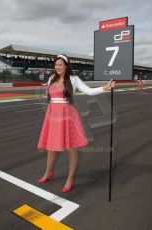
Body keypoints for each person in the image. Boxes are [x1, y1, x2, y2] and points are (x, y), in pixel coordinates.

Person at [37, 54, 115, 193]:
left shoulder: (74, 79)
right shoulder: (51, 78)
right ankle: (48, 172)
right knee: (51, 146)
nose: (58, 67)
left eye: (61, 64)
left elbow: (88, 91)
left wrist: (105, 87)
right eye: (56, 65)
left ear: (66, 65)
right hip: (53, 114)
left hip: (68, 115)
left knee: (72, 148)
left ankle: (70, 178)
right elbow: (49, 96)